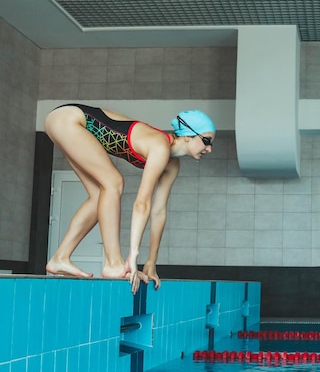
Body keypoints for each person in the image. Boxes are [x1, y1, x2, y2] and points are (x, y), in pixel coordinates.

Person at [44, 104, 215, 293]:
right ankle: (113, 263)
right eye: (206, 141)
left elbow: (158, 212)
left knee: (99, 195)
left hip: (64, 121)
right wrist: (132, 255)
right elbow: (141, 203)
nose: (209, 149)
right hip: (68, 119)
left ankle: (60, 258)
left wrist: (151, 262)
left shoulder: (172, 164)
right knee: (113, 182)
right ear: (188, 135)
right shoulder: (160, 145)